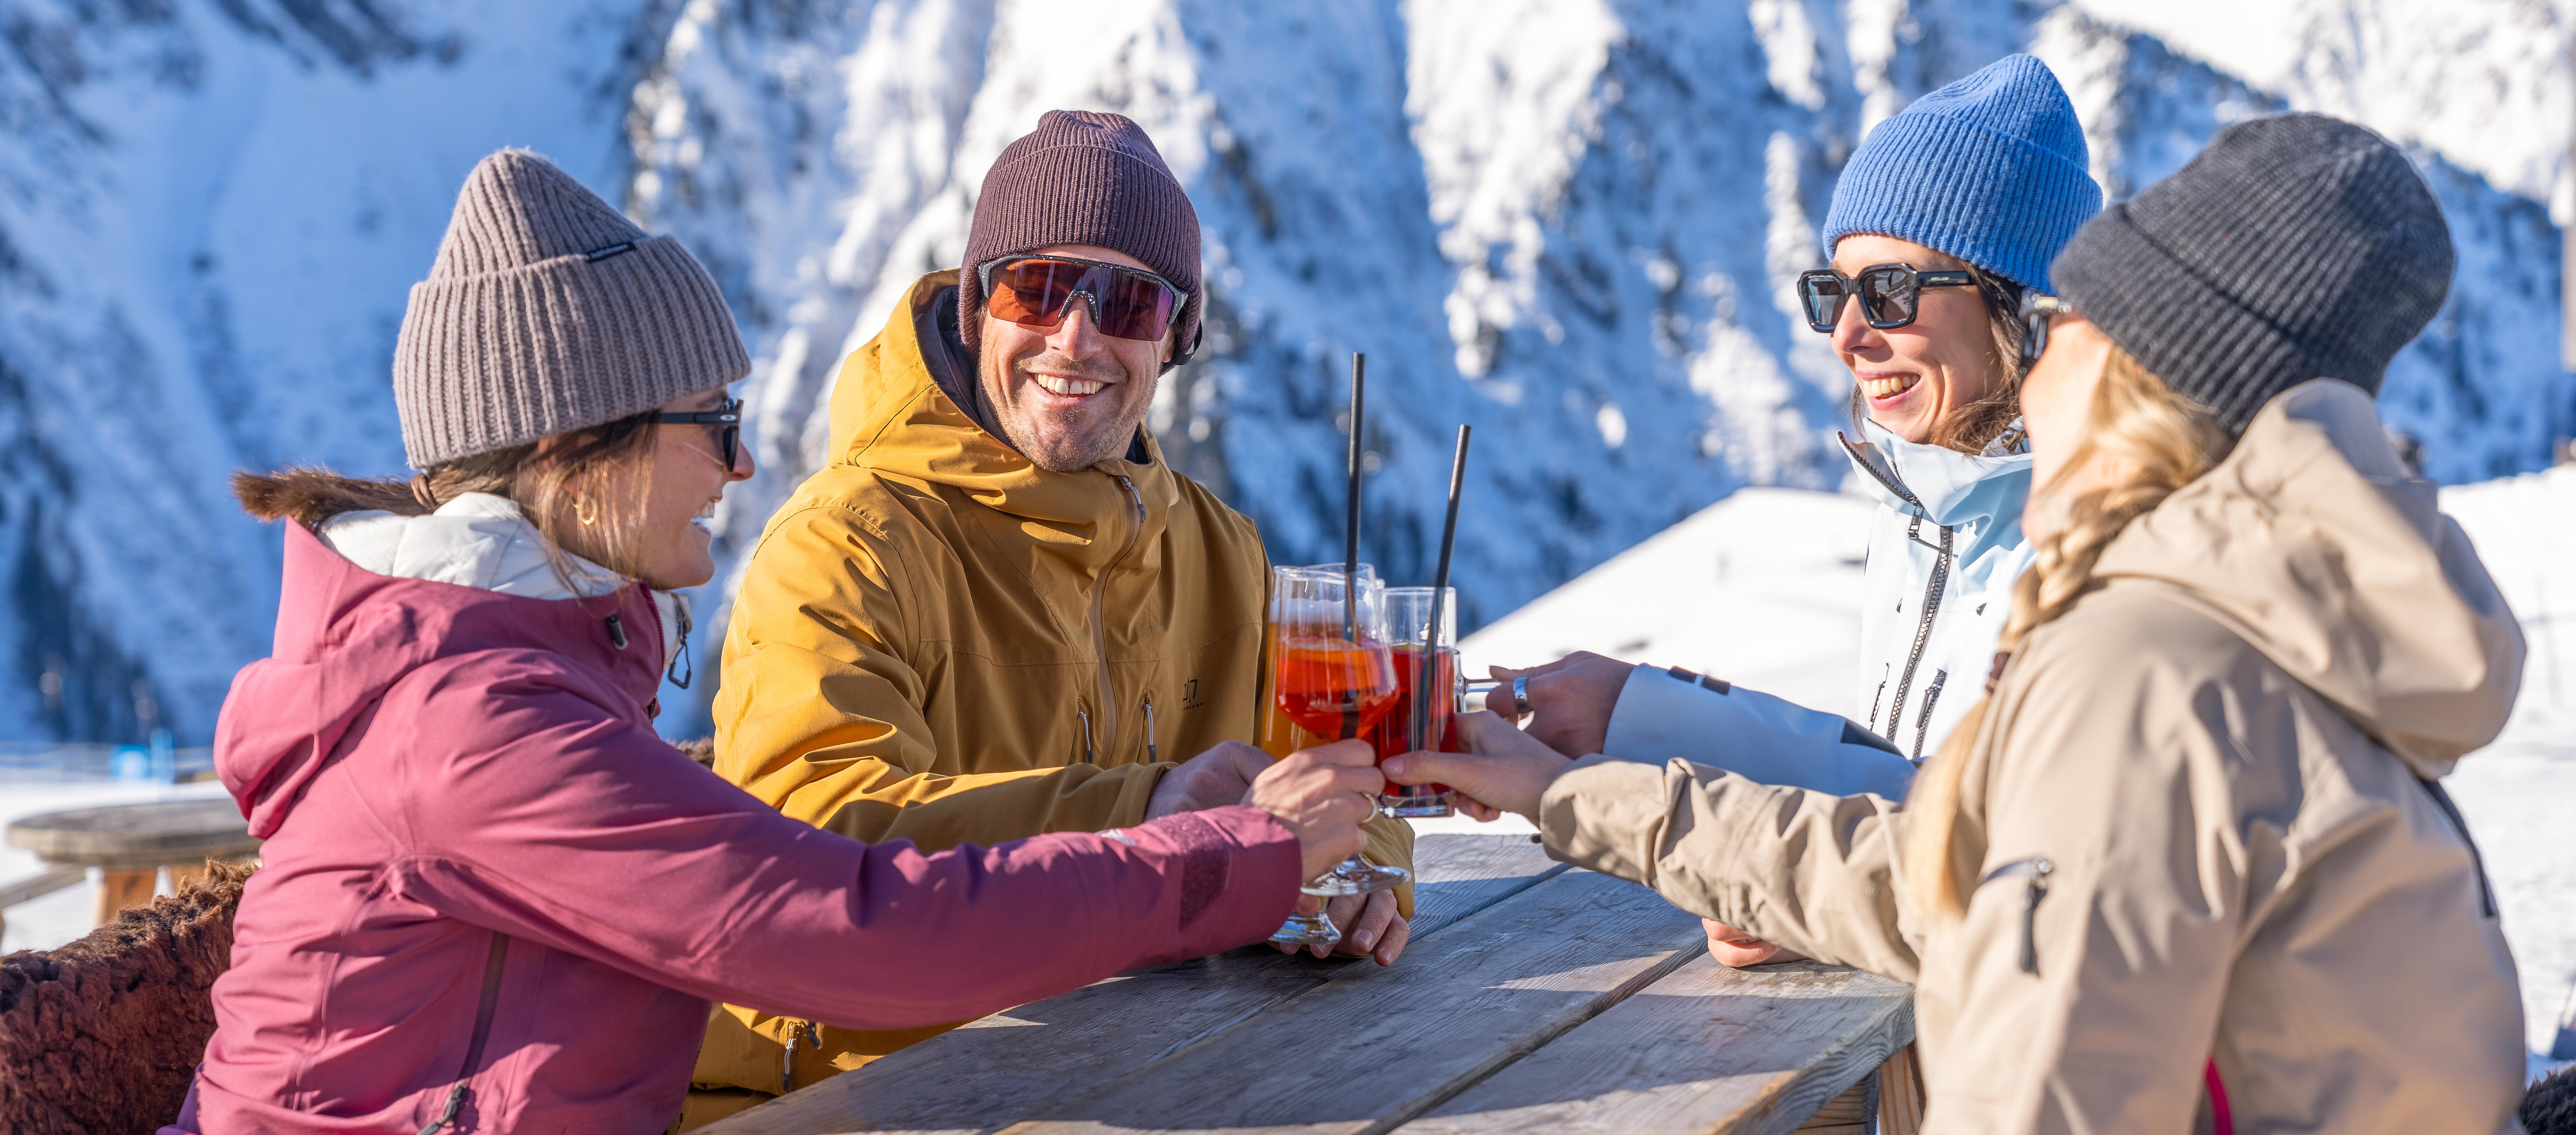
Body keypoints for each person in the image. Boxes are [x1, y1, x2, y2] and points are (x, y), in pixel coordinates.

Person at [171, 149, 1381, 1134]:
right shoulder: (478, 725)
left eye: (1127, 302)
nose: (744, 464)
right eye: (714, 422)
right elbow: (858, 929)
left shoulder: (516, 669)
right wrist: (1226, 856)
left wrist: (1337, 850)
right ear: (569, 450)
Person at [1397, 114, 2529, 1132]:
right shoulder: (2245, 619)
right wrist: (1570, 796)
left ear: (2128, 362)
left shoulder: (2150, 662)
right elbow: (1960, 878)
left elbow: (2042, 1085)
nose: (2041, 366)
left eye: (2062, 319)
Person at [698, 110, 1416, 1100]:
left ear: (1177, 341)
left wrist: (1359, 881)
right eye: (1034, 287)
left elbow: (1335, 786)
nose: (1075, 337)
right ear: (974, 308)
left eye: (1128, 302)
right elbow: (811, 842)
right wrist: (1150, 817)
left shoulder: (1220, 551)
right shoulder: (846, 543)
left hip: (1158, 1072)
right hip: (864, 1093)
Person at [1491, 55, 2098, 965]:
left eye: (1889, 292)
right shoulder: (1927, 509)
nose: (1850, 337)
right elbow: (1918, 797)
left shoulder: (2099, 547)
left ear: (2016, 302)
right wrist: (1638, 713)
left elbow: (2005, 874)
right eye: (1835, 293)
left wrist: (1782, 875)